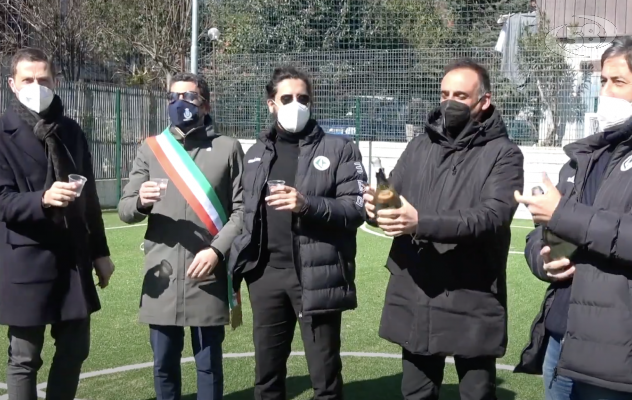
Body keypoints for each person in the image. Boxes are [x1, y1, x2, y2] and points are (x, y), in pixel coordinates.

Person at [363, 58, 524, 400]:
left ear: (484, 101)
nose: (450, 102)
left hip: (472, 290)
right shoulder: (421, 144)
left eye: (461, 95)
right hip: (418, 286)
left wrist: (421, 222)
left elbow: (492, 217)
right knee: (416, 392)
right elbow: (392, 194)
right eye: (445, 93)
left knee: (476, 393)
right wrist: (376, 207)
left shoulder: (504, 154)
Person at [228, 66, 367, 400]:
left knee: (325, 375)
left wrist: (307, 204)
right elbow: (246, 215)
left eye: (303, 98)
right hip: (265, 278)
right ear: (271, 103)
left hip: (315, 277)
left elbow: (356, 209)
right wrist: (240, 267)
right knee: (267, 373)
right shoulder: (256, 153)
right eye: (286, 98)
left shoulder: (340, 148)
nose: (296, 105)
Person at [515, 36, 632, 400]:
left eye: (619, 82)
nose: (606, 92)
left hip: (612, 356)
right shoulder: (589, 154)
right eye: (602, 81)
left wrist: (563, 214)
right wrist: (542, 258)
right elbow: (545, 231)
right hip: (561, 339)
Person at [118, 72, 244, 400]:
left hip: (208, 272)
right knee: (163, 365)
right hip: (162, 275)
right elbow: (125, 209)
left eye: (188, 97)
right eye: (174, 97)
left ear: (205, 103)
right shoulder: (152, 149)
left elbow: (244, 212)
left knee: (209, 365)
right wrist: (141, 201)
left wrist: (217, 251)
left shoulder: (228, 148)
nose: (180, 104)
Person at [0, 47, 114, 400]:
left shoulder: (71, 130)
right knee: (24, 357)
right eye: (28, 80)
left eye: (44, 79)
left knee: (76, 349)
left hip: (73, 260)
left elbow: (90, 198)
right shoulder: (2, 133)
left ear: (56, 81)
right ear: (12, 84)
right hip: (26, 259)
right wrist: (42, 199)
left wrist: (101, 253)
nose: (37, 86)